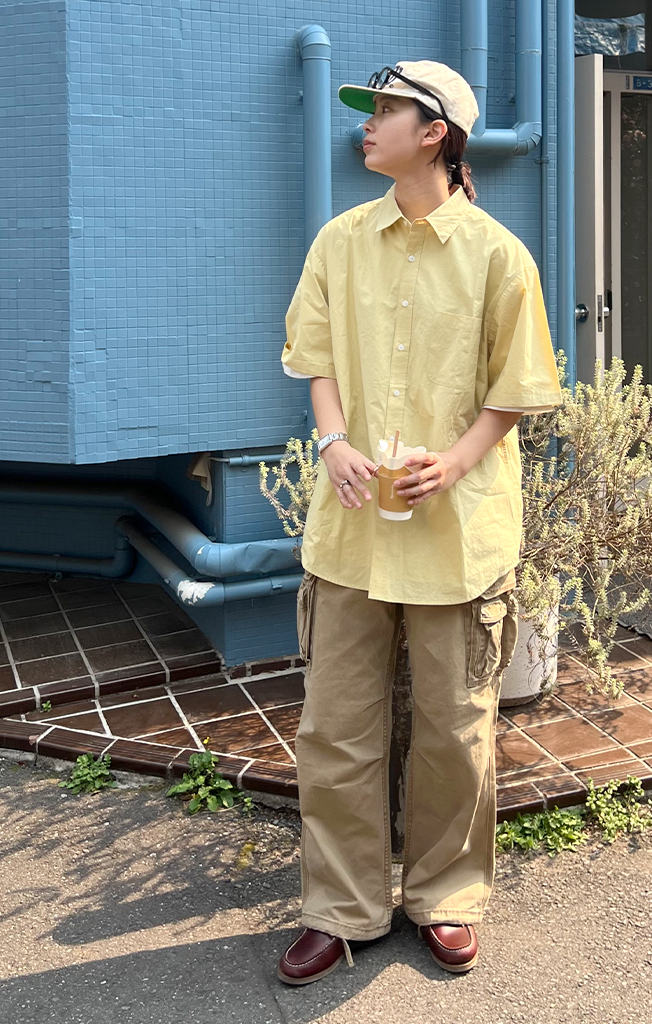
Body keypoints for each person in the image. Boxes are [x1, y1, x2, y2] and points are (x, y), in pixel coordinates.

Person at [277, 59, 562, 985]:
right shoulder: (339, 242)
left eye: (385, 111)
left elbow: (518, 386)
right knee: (336, 728)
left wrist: (459, 459)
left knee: (455, 729)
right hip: (353, 525)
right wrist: (332, 442)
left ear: (435, 133)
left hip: (457, 532)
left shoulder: (498, 255)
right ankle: (340, 908)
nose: (366, 125)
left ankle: (447, 898)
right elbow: (315, 358)